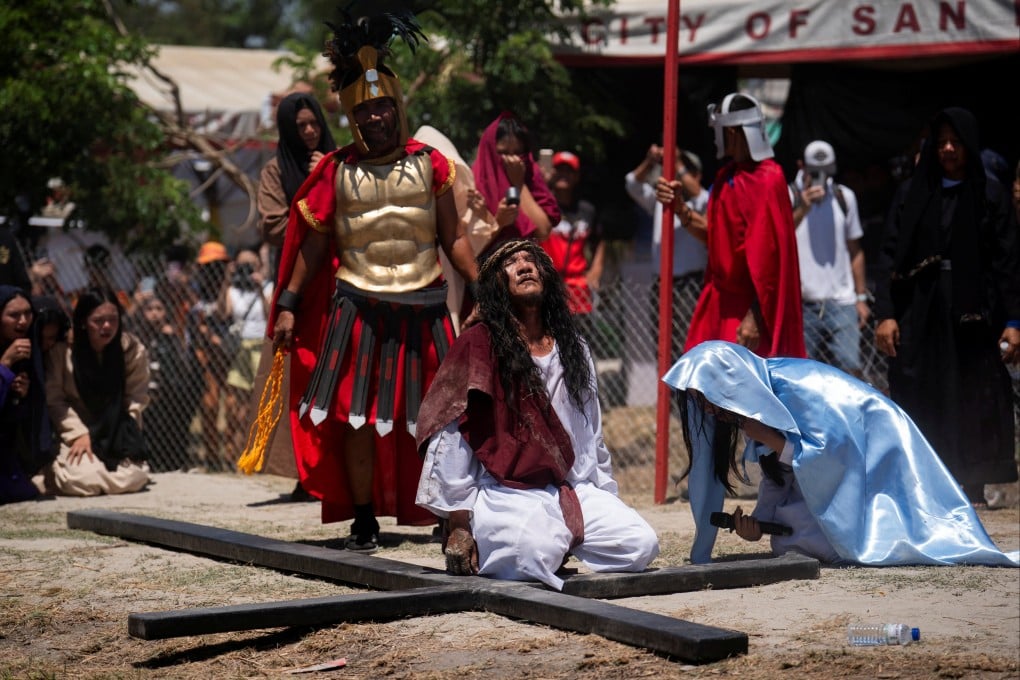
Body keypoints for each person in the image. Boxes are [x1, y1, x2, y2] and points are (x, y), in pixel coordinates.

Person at [269, 7, 479, 551]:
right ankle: (364, 518)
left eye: (383, 106)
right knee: (355, 418)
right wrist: (289, 303)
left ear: (397, 107)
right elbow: (312, 246)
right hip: (357, 304)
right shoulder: (334, 172)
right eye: (364, 111)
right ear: (352, 117)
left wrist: (483, 286)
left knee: (438, 417)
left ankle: (443, 513)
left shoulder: (433, 165)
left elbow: (454, 238)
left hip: (427, 302)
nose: (375, 118)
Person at [415, 239, 660, 590]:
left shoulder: (574, 347)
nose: (525, 266)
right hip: (506, 492)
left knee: (640, 545)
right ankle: (535, 540)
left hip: (571, 488)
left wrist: (605, 496)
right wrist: (458, 523)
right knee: (533, 553)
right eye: (511, 263)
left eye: (531, 261)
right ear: (496, 286)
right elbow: (453, 435)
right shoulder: (478, 345)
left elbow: (592, 431)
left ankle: (558, 537)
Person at [662, 340, 1018, 567]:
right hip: (836, 480)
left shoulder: (796, 387)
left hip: (875, 459)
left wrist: (771, 440)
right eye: (698, 403)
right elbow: (781, 472)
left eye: (708, 398)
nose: (707, 410)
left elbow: (834, 459)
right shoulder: (756, 407)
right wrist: (759, 523)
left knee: (808, 537)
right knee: (791, 534)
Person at [874, 107, 1020, 505]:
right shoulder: (913, 194)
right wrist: (885, 314)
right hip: (920, 313)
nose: (949, 149)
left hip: (975, 315)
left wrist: (1013, 320)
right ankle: (923, 486)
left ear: (969, 145)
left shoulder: (989, 194)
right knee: (922, 392)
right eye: (941, 144)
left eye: (955, 142)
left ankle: (970, 487)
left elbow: (1008, 262)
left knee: (974, 395)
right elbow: (888, 257)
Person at [656, 93, 805, 358]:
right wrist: (680, 207)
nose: (716, 137)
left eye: (719, 130)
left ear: (733, 132)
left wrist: (755, 316)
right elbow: (714, 235)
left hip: (751, 310)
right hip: (719, 303)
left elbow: (769, 262)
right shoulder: (726, 176)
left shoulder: (769, 179)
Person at [37, 287, 151, 496]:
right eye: (98, 321)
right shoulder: (63, 352)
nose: (107, 326)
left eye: (113, 319)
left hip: (115, 430)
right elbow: (55, 400)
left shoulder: (130, 349)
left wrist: (125, 433)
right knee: (82, 479)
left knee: (135, 476)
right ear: (82, 322)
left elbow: (136, 397)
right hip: (78, 431)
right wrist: (78, 434)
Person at [790, 140, 870, 377]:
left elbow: (855, 249)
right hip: (802, 304)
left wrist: (861, 297)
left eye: (826, 171)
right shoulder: (788, 196)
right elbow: (779, 241)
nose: (821, 177)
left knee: (849, 371)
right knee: (802, 376)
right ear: (801, 166)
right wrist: (803, 208)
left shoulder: (844, 197)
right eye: (815, 172)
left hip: (841, 303)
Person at [626, 145, 708, 357]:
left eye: (684, 170)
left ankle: (689, 391)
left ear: (696, 174)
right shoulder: (660, 203)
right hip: (662, 283)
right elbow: (632, 183)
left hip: (691, 284)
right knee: (663, 349)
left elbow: (698, 193)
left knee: (691, 347)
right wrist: (650, 161)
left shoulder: (702, 202)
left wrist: (676, 161)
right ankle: (669, 391)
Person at [258, 91, 338, 264]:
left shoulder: (340, 161)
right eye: (301, 125)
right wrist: (321, 231)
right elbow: (274, 227)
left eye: (314, 123)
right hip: (297, 267)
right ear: (289, 129)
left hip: (342, 265)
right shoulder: (275, 170)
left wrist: (330, 174)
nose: (310, 131)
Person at [471, 112, 560, 264]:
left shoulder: (530, 176)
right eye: (504, 153)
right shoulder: (473, 184)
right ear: (491, 151)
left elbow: (543, 231)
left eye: (518, 153)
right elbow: (469, 246)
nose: (512, 160)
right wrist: (498, 223)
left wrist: (518, 184)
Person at [1, 287, 55, 503]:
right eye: (14, 315)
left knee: (24, 492)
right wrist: (4, 364)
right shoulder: (11, 354)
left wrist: (19, 396)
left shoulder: (26, 351)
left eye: (28, 313)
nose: (23, 321)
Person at [219, 247, 273, 461]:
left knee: (260, 403)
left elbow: (271, 317)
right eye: (243, 265)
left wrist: (260, 288)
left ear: (259, 267)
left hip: (262, 348)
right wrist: (226, 280)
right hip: (241, 349)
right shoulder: (233, 290)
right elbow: (223, 313)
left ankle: (262, 454)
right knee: (237, 405)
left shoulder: (268, 288)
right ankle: (238, 452)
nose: (247, 269)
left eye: (251, 265)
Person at [540, 150, 604, 323]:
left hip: (579, 289)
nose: (564, 175)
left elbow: (599, 241)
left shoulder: (587, 210)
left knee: (581, 344)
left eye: (569, 171)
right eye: (559, 170)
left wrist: (596, 270)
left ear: (577, 176)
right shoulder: (542, 207)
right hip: (548, 286)